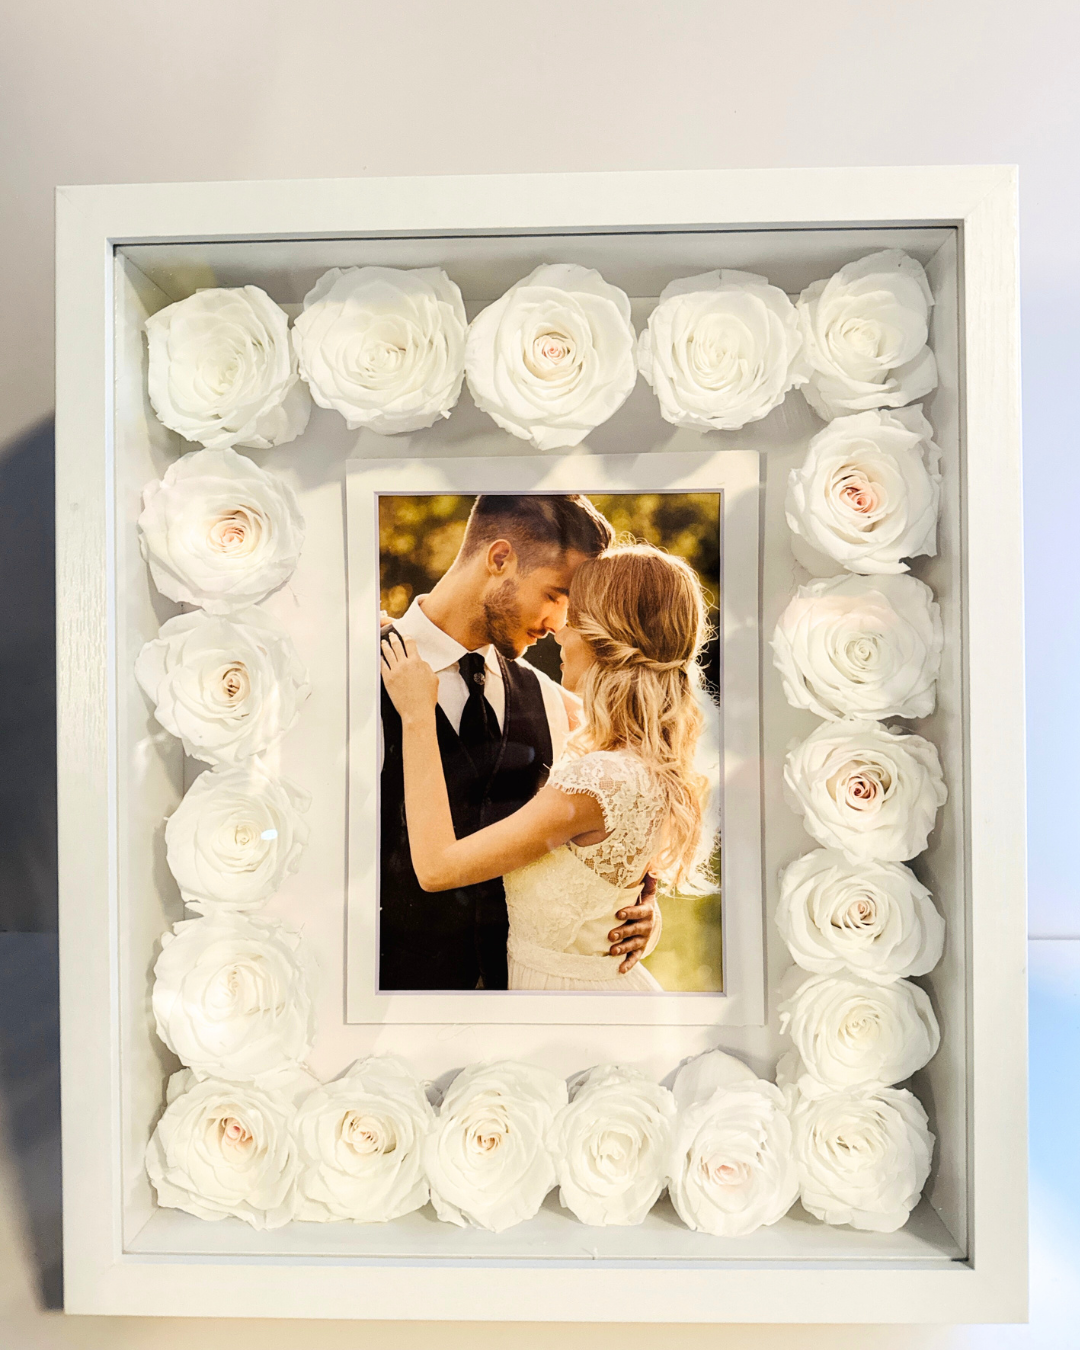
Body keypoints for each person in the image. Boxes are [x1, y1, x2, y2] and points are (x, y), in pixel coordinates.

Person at [381, 542, 714, 991]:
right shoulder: (642, 757)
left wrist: (419, 716)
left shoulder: (593, 780)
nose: (558, 630)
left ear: (606, 639)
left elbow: (438, 868)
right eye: (556, 599)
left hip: (563, 1002)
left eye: (572, 617)